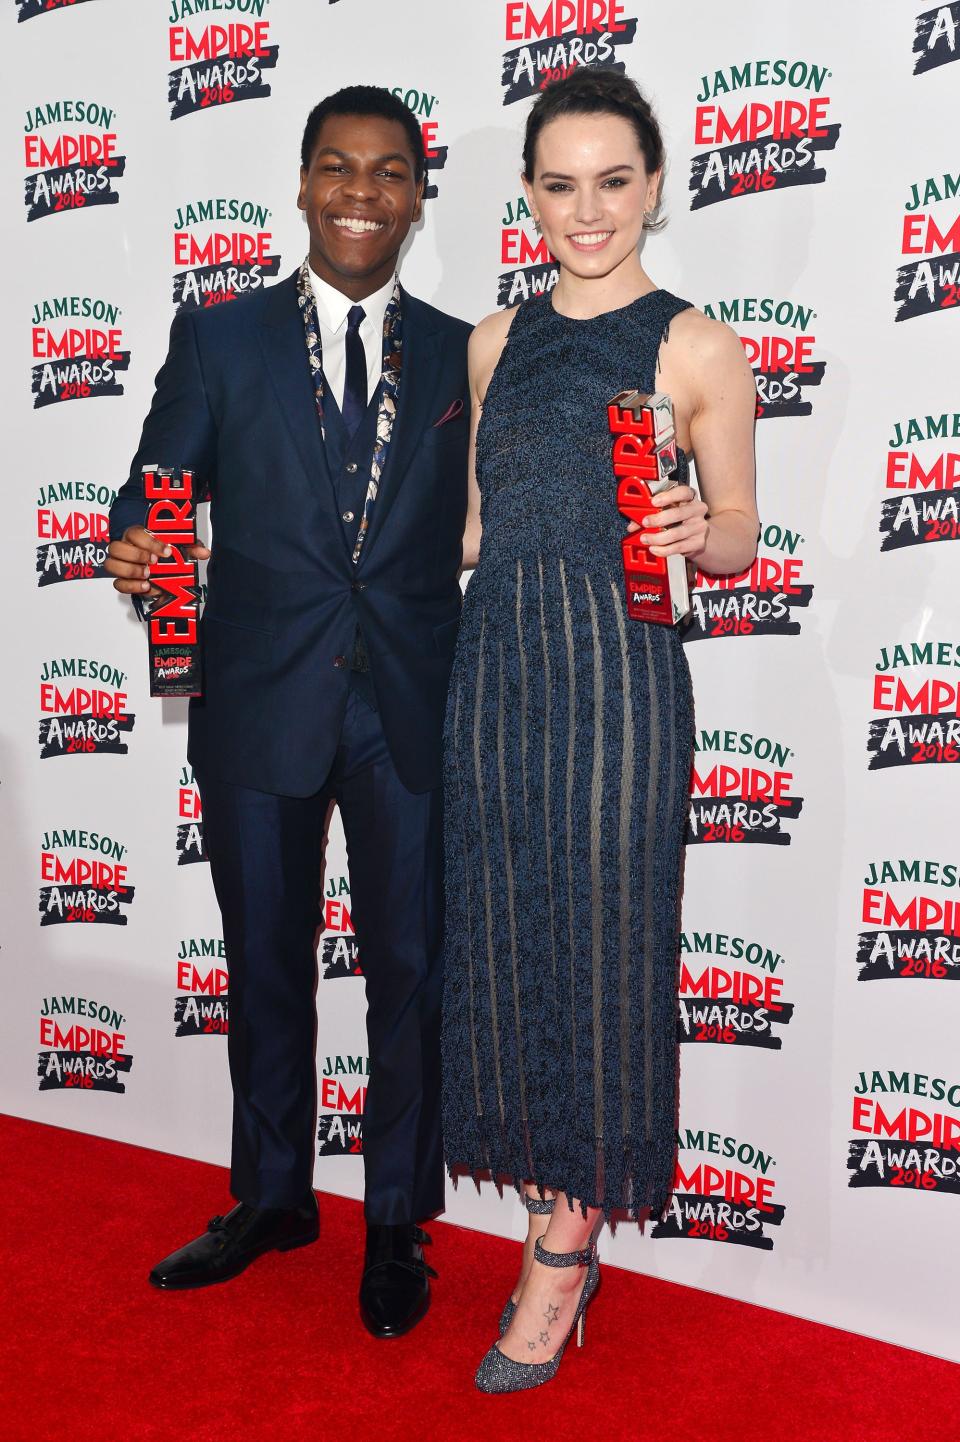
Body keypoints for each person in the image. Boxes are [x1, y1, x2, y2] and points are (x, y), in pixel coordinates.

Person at [106, 86, 470, 1339]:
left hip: (413, 704)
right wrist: (139, 547)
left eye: (388, 172)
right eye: (337, 167)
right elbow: (150, 495)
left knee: (410, 968)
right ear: (302, 182)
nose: (361, 192)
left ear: (419, 195)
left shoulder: (463, 349)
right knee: (262, 961)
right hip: (259, 697)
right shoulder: (220, 336)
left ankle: (393, 1220)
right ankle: (270, 1197)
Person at [441, 67, 759, 1392]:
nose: (589, 211)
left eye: (614, 181)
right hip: (495, 684)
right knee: (509, 945)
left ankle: (563, 1248)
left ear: (655, 186)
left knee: (603, 952)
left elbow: (740, 534)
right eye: (561, 185)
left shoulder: (697, 344)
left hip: (620, 689)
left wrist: (704, 530)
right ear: (527, 195)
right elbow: (468, 529)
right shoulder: (492, 341)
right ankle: (547, 1194)